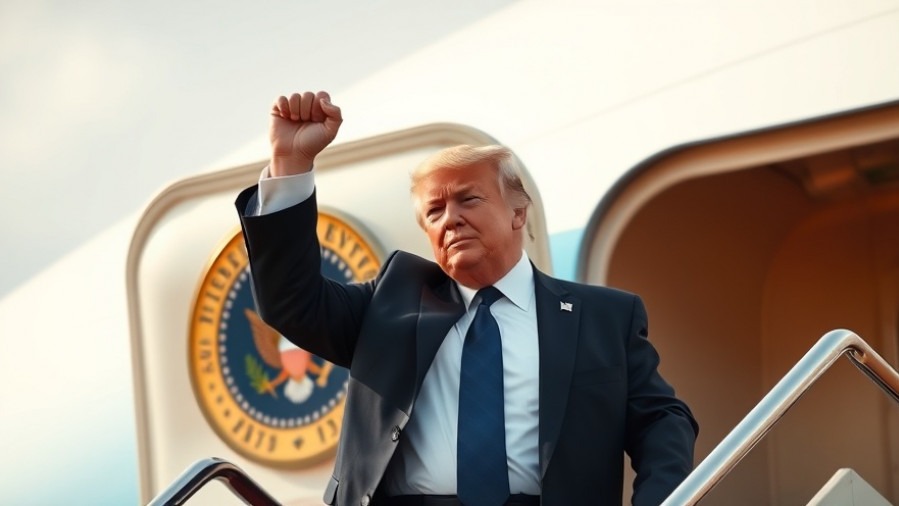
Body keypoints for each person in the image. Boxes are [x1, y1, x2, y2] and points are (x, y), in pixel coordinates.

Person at [236, 91, 698, 506]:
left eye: (468, 200)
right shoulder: (391, 302)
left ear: (519, 212)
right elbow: (290, 301)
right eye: (435, 211)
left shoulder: (604, 316)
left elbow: (662, 418)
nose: (450, 219)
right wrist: (289, 165)